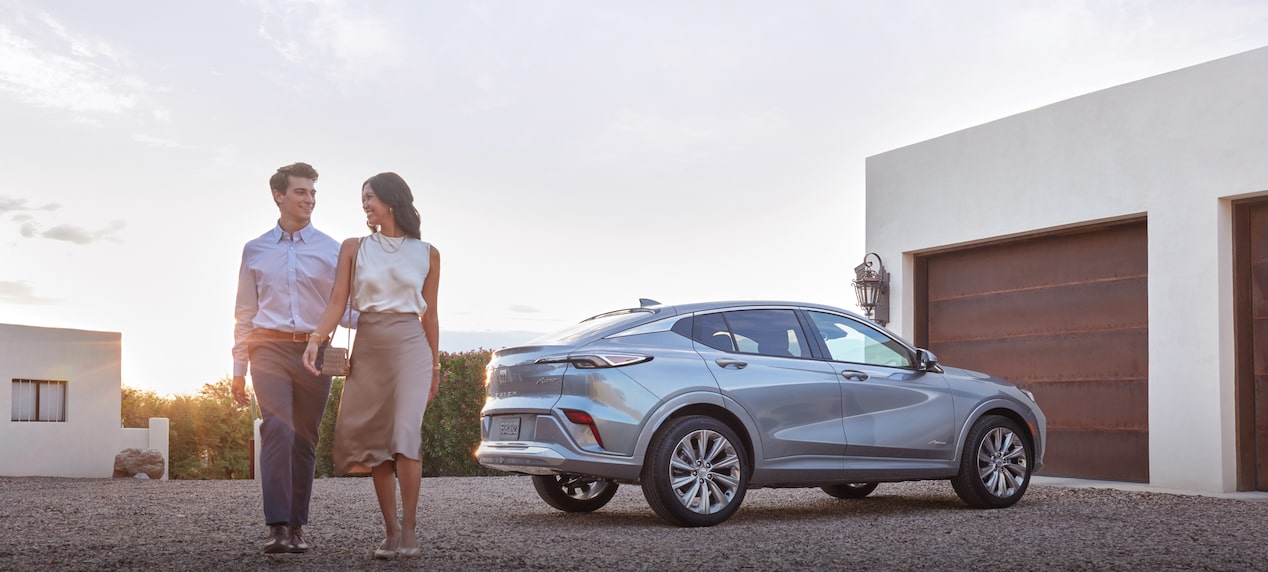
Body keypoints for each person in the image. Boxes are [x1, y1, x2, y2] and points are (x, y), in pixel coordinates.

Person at [302, 171, 441, 560]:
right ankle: (391, 531)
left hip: (412, 346)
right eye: (362, 198)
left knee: (405, 434)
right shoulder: (353, 247)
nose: (364, 204)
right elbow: (336, 303)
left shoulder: (428, 253)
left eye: (370, 197)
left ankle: (411, 528)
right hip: (370, 344)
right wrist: (315, 340)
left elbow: (430, 316)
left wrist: (434, 366)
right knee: (379, 444)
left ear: (391, 200)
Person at [231, 162, 349, 554]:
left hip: (315, 351)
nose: (309, 199)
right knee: (277, 429)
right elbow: (244, 314)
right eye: (301, 192)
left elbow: (346, 308)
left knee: (305, 438)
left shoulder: (333, 250)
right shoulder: (255, 250)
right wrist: (238, 370)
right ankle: (278, 526)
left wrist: (386, 322)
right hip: (266, 348)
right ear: (278, 196)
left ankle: (298, 525)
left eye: (313, 193)